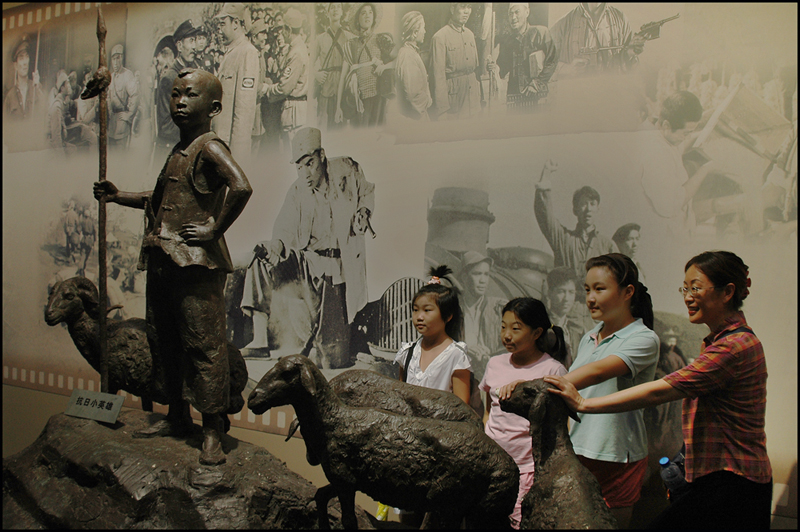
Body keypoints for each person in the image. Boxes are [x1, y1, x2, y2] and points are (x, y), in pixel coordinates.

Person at [93, 68, 253, 465]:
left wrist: (214, 229)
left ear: (213, 108)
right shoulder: (179, 151)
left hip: (194, 265)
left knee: (204, 347)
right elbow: (160, 198)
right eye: (175, 94)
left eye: (190, 95)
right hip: (163, 259)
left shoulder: (209, 148)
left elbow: (242, 185)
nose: (179, 102)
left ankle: (212, 429)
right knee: (163, 341)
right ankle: (177, 416)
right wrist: (118, 195)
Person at [546, 251, 772, 530]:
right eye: (685, 289)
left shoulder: (733, 347)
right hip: (716, 479)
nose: (688, 297)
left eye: (696, 288)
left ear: (727, 292)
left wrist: (583, 404)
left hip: (734, 481)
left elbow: (660, 390)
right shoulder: (718, 341)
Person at [243, 127, 374, 369]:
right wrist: (274, 246)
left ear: (322, 155)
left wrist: (363, 212)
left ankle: (338, 342)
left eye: (309, 164)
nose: (304, 173)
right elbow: (284, 228)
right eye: (299, 167)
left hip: (338, 272)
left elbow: (366, 191)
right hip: (307, 265)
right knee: (259, 259)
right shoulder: (297, 191)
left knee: (332, 360)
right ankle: (260, 340)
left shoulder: (347, 169)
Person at [552, 253, 659, 528]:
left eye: (599, 289)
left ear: (628, 292)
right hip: (578, 450)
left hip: (616, 456)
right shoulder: (589, 337)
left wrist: (540, 386)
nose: (590, 298)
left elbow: (598, 371)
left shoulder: (644, 339)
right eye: (587, 290)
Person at [393, 265, 472, 527]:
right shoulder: (407, 351)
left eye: (427, 310)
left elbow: (461, 408)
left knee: (435, 513)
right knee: (408, 512)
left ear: (447, 315)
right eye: (415, 309)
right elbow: (400, 394)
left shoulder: (456, 355)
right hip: (408, 441)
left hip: (439, 447)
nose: (419, 317)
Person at [482, 297, 569, 529]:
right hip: (491, 464)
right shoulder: (494, 363)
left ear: (537, 332)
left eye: (516, 328)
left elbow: (560, 424)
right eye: (503, 327)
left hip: (526, 467)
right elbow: (488, 411)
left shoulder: (553, 370)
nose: (507, 335)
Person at [534, 159, 615, 281]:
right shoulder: (564, 239)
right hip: (567, 293)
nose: (588, 209)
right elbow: (544, 216)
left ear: (598, 209)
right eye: (583, 204)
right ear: (575, 210)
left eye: (592, 204)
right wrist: (546, 175)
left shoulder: (607, 245)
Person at [214, 2, 260, 163]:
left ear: (235, 23)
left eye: (223, 24)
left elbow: (244, 111)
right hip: (221, 142)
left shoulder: (248, 53)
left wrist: (237, 157)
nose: (219, 30)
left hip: (231, 148)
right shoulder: (231, 52)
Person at [550, 3, 646, 78]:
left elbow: (630, 68)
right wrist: (567, 69)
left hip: (613, 91)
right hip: (579, 93)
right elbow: (545, 64)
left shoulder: (621, 19)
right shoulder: (562, 25)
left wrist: (629, 54)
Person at [334, 3, 390, 128]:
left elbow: (396, 61)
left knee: (378, 134)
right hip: (359, 99)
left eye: (370, 12)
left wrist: (383, 66)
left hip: (379, 98)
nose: (367, 16)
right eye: (363, 13)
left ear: (374, 17)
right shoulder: (351, 45)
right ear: (357, 19)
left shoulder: (381, 40)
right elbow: (343, 77)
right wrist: (338, 107)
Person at [494, 3, 557, 111]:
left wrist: (537, 83)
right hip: (515, 98)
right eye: (510, 14)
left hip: (537, 96)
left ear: (527, 12)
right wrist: (494, 67)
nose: (513, 17)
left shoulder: (540, 33)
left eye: (517, 12)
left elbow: (553, 60)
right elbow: (502, 70)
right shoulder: (508, 41)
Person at [262, 7, 308, 153]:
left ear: (289, 29)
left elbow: (284, 88)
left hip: (293, 111)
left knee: (293, 154)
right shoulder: (296, 48)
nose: (281, 34)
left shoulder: (296, 53)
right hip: (293, 110)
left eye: (283, 30)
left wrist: (267, 89)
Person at [155, 21, 200, 160]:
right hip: (170, 150)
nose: (195, 46)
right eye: (191, 41)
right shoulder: (169, 78)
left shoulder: (193, 72)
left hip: (186, 147)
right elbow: (165, 125)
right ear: (180, 46)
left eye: (195, 40)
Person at [457, 251, 506, 380]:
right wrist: (464, 349)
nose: (483, 280)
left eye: (486, 274)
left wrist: (491, 355)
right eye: (477, 274)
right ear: (464, 277)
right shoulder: (451, 309)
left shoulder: (498, 310)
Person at [430, 3, 481, 120]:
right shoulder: (440, 37)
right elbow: (437, 77)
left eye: (469, 7)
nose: (466, 11)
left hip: (473, 102)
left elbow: (475, 71)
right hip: (454, 103)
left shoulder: (470, 35)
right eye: (462, 7)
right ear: (452, 9)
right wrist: (442, 109)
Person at [314, 2, 354, 130]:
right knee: (323, 128)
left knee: (342, 129)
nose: (335, 10)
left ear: (342, 12)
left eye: (338, 7)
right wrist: (316, 74)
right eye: (332, 8)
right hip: (325, 89)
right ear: (327, 13)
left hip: (343, 90)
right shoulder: (320, 39)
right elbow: (309, 63)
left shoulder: (349, 37)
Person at [545, 266, 589, 369]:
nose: (566, 299)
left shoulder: (576, 331)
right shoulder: (539, 328)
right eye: (561, 291)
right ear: (550, 293)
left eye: (571, 292)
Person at [394, 11, 432, 121]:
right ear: (415, 33)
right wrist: (428, 101)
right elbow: (413, 95)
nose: (425, 31)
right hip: (415, 119)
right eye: (423, 28)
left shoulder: (410, 52)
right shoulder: (407, 55)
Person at [107, 44, 140, 149]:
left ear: (121, 58)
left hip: (122, 122)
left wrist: (129, 115)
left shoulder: (127, 75)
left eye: (118, 58)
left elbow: (135, 95)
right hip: (112, 122)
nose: (115, 62)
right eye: (113, 59)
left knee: (121, 152)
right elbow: (108, 97)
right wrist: (109, 112)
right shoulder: (111, 77)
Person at [4, 37, 44, 121]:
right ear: (15, 65)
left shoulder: (36, 88)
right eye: (21, 58)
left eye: (27, 57)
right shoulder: (10, 97)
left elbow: (45, 113)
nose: (25, 62)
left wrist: (37, 88)